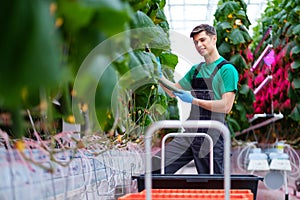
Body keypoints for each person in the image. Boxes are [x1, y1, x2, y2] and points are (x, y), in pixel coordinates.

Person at [153, 24, 239, 174]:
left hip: (213, 135)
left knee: (214, 183)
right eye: (196, 42)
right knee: (155, 167)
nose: (199, 45)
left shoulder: (227, 70)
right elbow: (174, 91)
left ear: (214, 39)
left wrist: (193, 100)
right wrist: (159, 77)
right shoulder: (196, 70)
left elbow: (226, 106)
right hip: (191, 133)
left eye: (203, 40)